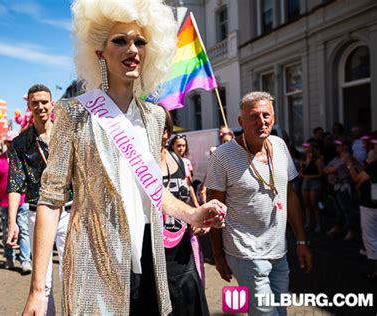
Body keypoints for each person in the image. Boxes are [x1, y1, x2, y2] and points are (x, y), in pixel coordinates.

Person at [22, 1, 226, 314]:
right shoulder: (73, 112)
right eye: (120, 40)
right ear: (99, 52)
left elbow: (153, 190)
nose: (132, 49)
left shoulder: (156, 116)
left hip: (150, 256)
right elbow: (50, 201)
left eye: (140, 41)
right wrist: (38, 290)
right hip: (95, 258)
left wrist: (191, 214)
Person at [206, 91, 312, 315]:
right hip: (246, 254)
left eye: (266, 115)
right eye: (254, 116)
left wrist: (301, 241)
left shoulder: (280, 146)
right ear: (241, 121)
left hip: (278, 251)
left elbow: (290, 195)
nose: (261, 121)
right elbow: (214, 209)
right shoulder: (223, 156)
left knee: (280, 311)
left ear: (273, 118)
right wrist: (218, 256)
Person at [6, 84, 70, 314]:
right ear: (29, 106)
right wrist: (12, 221)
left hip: (69, 212)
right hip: (37, 213)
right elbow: (15, 184)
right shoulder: (20, 144)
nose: (40, 106)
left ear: (52, 104)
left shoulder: (67, 136)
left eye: (44, 101)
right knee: (42, 279)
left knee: (71, 274)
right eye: (35, 103)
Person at [160, 110, 209, 315]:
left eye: (161, 126)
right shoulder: (140, 165)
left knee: (188, 302)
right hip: (156, 250)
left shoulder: (177, 160)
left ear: (167, 131)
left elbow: (186, 193)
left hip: (183, 245)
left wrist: (197, 215)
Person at [0, 130, 31, 273]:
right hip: (4, 202)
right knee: (7, 231)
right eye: (9, 142)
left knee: (24, 230)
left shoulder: (24, 159)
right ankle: (9, 257)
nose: (11, 144)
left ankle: (25, 261)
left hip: (22, 201)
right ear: (5, 143)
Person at [347, 137, 377, 279]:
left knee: (370, 238)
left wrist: (349, 166)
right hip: (370, 204)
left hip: (370, 206)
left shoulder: (374, 165)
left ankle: (375, 271)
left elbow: (357, 180)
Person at [324, 138, 359, 240]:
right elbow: (326, 169)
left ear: (345, 147)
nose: (337, 147)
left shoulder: (347, 157)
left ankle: (351, 230)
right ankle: (338, 227)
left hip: (344, 186)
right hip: (336, 186)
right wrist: (330, 170)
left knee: (347, 209)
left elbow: (335, 168)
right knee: (338, 208)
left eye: (339, 145)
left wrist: (331, 170)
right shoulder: (337, 158)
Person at [299, 143, 324, 233]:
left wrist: (310, 177)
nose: (305, 149)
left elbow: (321, 173)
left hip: (314, 181)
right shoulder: (304, 159)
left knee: (314, 204)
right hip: (306, 181)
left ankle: (318, 224)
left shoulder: (317, 160)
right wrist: (302, 173)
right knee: (306, 204)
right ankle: (308, 223)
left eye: (307, 148)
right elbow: (301, 171)